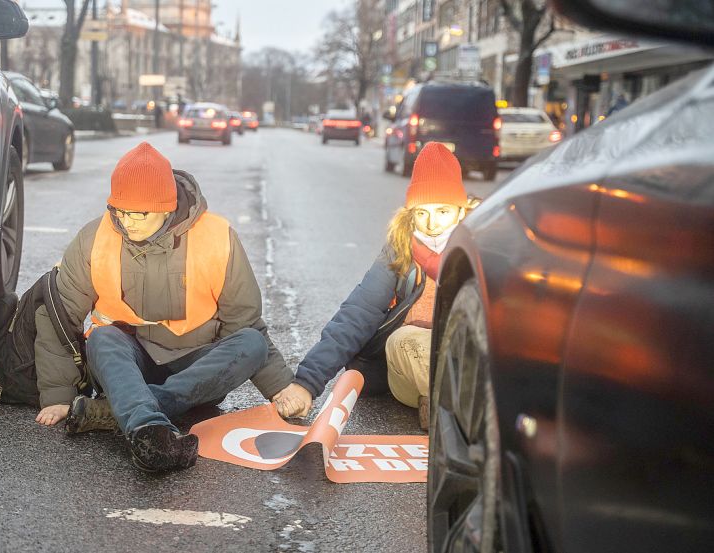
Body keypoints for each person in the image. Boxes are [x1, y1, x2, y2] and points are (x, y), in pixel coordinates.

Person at [32, 142, 293, 472]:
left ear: (167, 207)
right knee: (102, 338)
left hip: (196, 367)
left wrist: (282, 387)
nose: (128, 222)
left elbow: (244, 323)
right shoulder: (95, 236)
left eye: (139, 213)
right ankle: (151, 433)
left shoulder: (218, 236)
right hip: (129, 365)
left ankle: (127, 410)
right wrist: (57, 394)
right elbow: (60, 313)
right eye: (120, 211)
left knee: (251, 344)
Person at [271, 142, 472, 430]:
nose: (431, 224)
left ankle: (454, 406)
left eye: (442, 211)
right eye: (422, 213)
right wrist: (307, 382)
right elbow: (358, 313)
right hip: (409, 368)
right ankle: (454, 407)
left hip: (464, 360)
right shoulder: (400, 249)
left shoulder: (478, 250)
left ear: (460, 211)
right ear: (411, 213)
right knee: (406, 340)